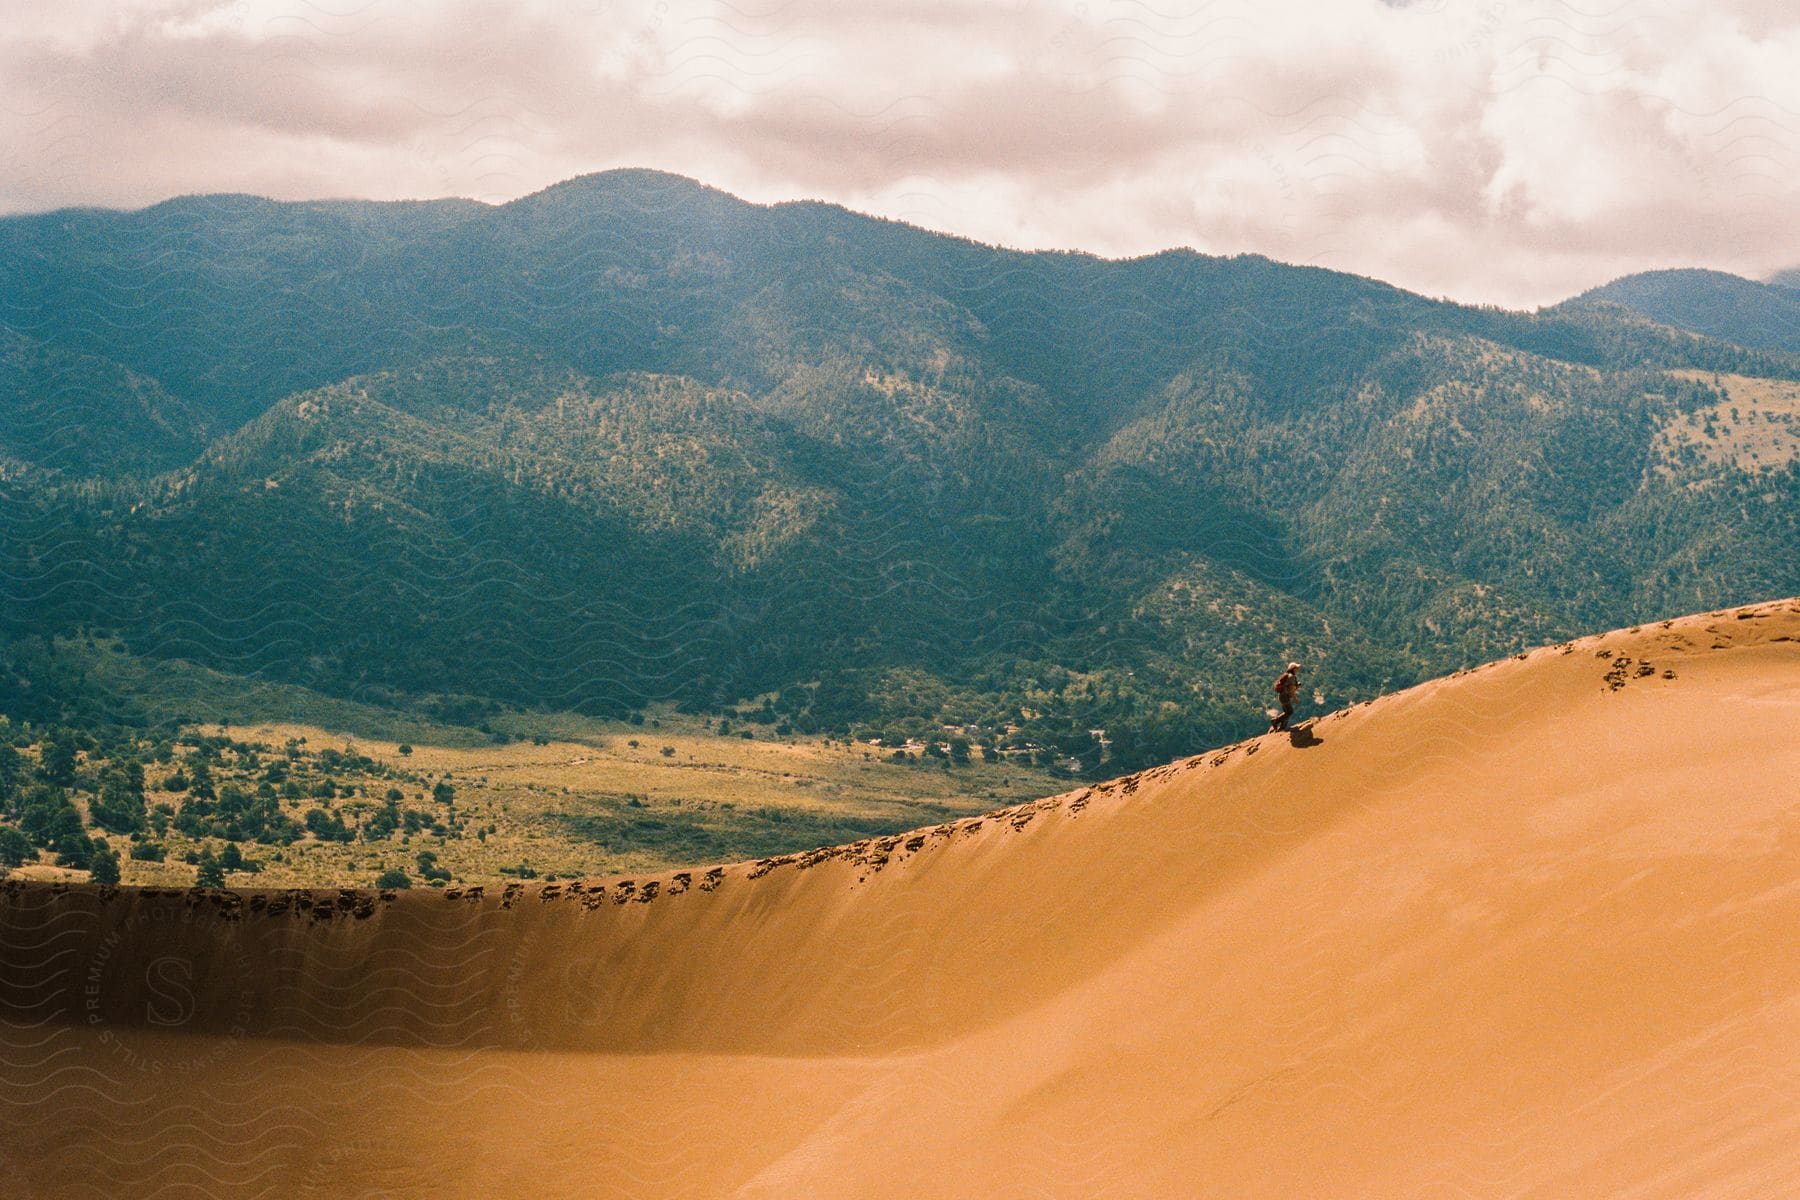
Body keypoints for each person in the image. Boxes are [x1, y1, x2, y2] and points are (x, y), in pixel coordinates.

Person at [1269, 661, 1301, 732]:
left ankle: (1282, 727)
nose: (1298, 669)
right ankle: (1275, 721)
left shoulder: (1287, 675)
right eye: (1297, 668)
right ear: (1293, 669)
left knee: (1287, 712)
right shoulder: (1291, 676)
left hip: (1282, 696)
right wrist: (1295, 698)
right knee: (1289, 712)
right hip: (1284, 697)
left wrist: (1297, 685)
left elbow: (1288, 686)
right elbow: (1291, 689)